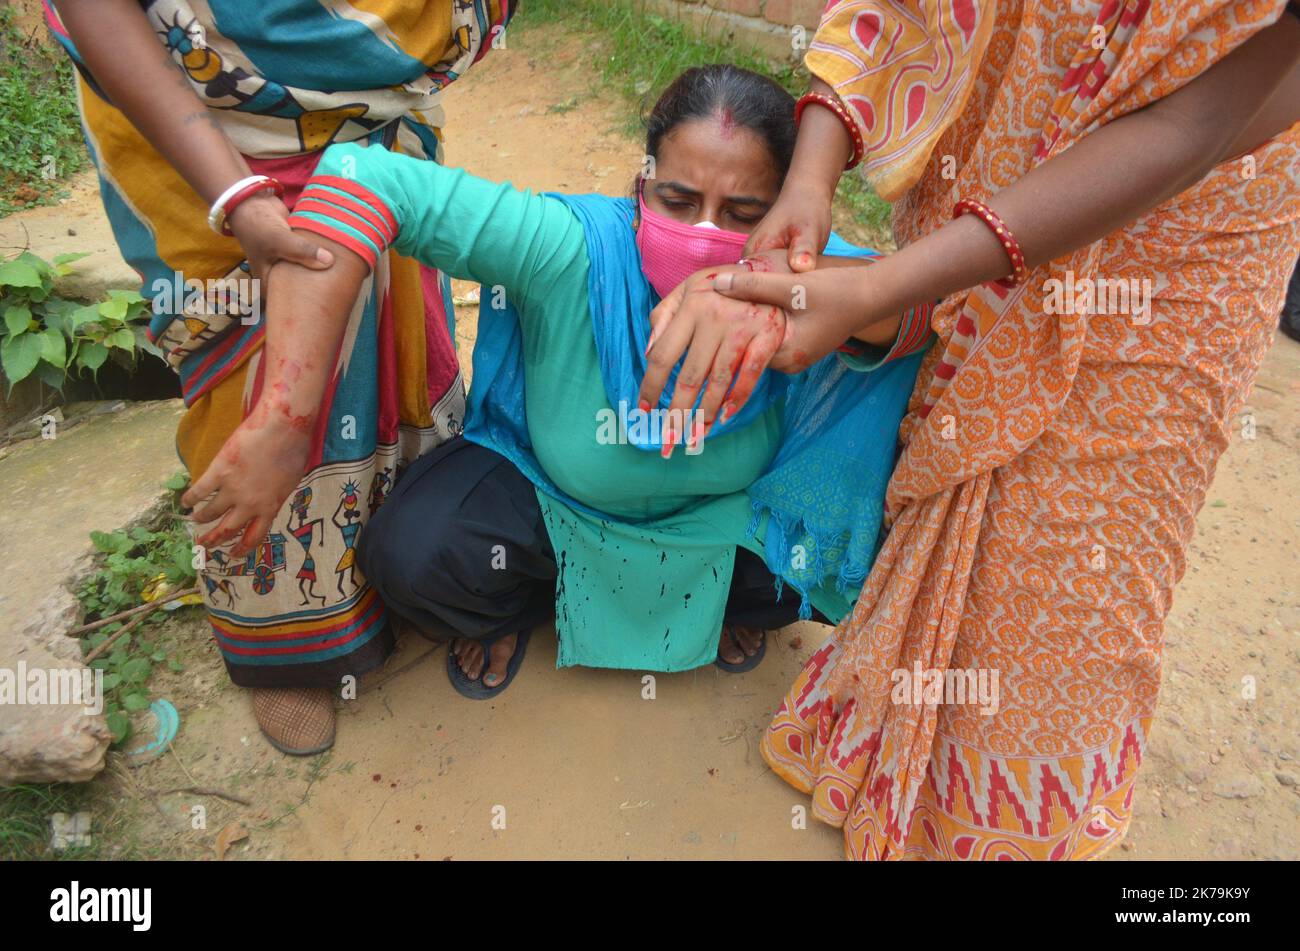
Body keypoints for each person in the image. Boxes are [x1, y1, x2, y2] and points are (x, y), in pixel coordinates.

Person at [642, 1, 1300, 859]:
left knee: (1077, 544)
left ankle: (1031, 794)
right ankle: (890, 731)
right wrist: (808, 182)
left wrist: (880, 291)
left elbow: (1196, 123)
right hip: (991, 158)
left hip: (1187, 228)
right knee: (956, 469)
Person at [181, 65, 933, 698]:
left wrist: (790, 293)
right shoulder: (570, 248)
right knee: (416, 553)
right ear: (640, 188)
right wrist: (286, 420)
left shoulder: (812, 276)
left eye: (743, 214)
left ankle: (713, 601)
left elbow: (929, 315)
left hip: (716, 521)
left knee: (830, 561)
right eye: (677, 201)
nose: (705, 233)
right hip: (554, 501)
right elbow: (363, 178)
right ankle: (524, 605)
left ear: (786, 220)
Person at [47, 0, 513, 754]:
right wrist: (231, 192)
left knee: (389, 312)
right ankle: (284, 638)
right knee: (244, 351)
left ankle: (400, 563)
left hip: (372, 106)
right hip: (197, 113)